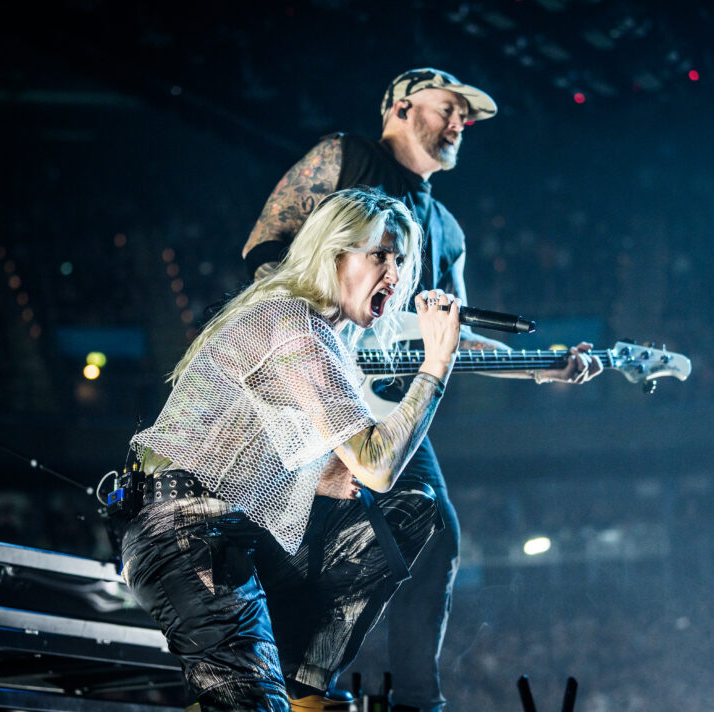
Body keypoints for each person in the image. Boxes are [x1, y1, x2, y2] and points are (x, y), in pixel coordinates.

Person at [242, 69, 602, 711]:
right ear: (402, 107)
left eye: (467, 116)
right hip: (304, 376)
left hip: (381, 401)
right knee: (292, 535)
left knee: (435, 531)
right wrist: (313, 343)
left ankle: (415, 701)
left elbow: (449, 335)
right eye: (450, 109)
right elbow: (266, 249)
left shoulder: (447, 229)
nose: (461, 122)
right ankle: (279, 687)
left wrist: (538, 367)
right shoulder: (347, 157)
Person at [121, 187, 463, 711]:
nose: (394, 276)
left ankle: (300, 683)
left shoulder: (328, 339)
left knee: (414, 509)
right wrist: (435, 366)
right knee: (251, 706)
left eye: (399, 260)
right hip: (186, 533)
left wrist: (320, 474)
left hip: (243, 532)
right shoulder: (292, 325)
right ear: (334, 254)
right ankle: (276, 696)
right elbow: (376, 464)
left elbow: (272, 444)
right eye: (379, 256)